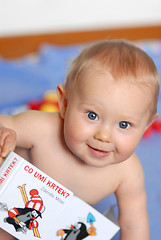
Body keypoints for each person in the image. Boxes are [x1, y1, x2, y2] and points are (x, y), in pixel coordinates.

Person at [0, 39, 160, 240]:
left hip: (54, 228)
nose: (103, 136)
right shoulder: (40, 129)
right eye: (92, 115)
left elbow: (134, 226)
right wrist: (4, 132)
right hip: (10, 207)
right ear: (64, 104)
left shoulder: (128, 173)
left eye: (124, 125)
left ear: (146, 125)